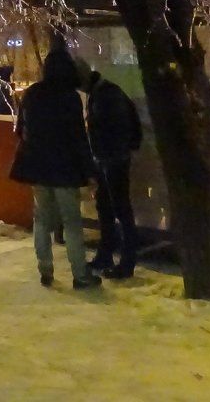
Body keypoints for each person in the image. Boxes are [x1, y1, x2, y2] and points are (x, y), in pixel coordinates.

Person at [10, 47, 102, 289]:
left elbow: (21, 130)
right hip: (65, 170)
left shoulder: (32, 94)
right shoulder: (69, 97)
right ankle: (80, 274)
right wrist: (89, 171)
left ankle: (46, 270)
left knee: (41, 220)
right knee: (71, 222)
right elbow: (78, 139)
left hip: (38, 168)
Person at [78, 61, 142, 280]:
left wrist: (103, 157)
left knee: (118, 210)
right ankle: (110, 256)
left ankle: (125, 262)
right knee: (109, 208)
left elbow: (113, 130)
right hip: (111, 159)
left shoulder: (105, 96)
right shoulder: (104, 92)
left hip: (112, 160)